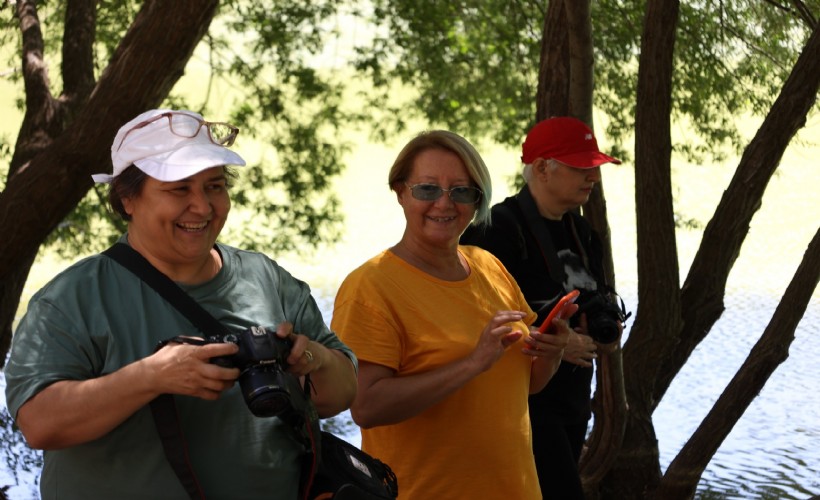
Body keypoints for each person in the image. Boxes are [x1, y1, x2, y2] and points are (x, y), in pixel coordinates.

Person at [4, 109, 358, 499]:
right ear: (127, 198)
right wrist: (151, 377)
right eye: (179, 189)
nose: (203, 207)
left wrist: (311, 361)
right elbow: (39, 423)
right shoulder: (71, 299)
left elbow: (342, 393)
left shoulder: (266, 278)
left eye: (215, 186)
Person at [330, 130, 574, 499]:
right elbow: (365, 406)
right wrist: (472, 363)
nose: (444, 204)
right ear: (400, 191)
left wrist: (552, 349)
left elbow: (525, 385)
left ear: (477, 200)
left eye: (462, 191)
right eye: (427, 189)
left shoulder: (489, 266)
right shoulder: (371, 287)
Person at [461, 116, 625, 499]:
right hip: (520, 405)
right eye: (580, 167)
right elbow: (468, 319)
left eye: (594, 168)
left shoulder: (584, 234)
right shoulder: (495, 230)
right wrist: (556, 343)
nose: (592, 177)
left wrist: (605, 331)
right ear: (541, 168)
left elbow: (595, 303)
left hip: (572, 401)